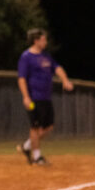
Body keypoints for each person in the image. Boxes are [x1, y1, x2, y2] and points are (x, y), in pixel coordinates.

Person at [16, 28, 74, 166]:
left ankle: (27, 146)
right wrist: (26, 97)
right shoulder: (26, 57)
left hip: (46, 97)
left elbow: (57, 68)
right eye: (43, 39)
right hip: (33, 97)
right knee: (35, 127)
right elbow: (21, 79)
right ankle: (37, 157)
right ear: (36, 41)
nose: (46, 42)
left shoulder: (46, 56)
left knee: (49, 126)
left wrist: (65, 80)